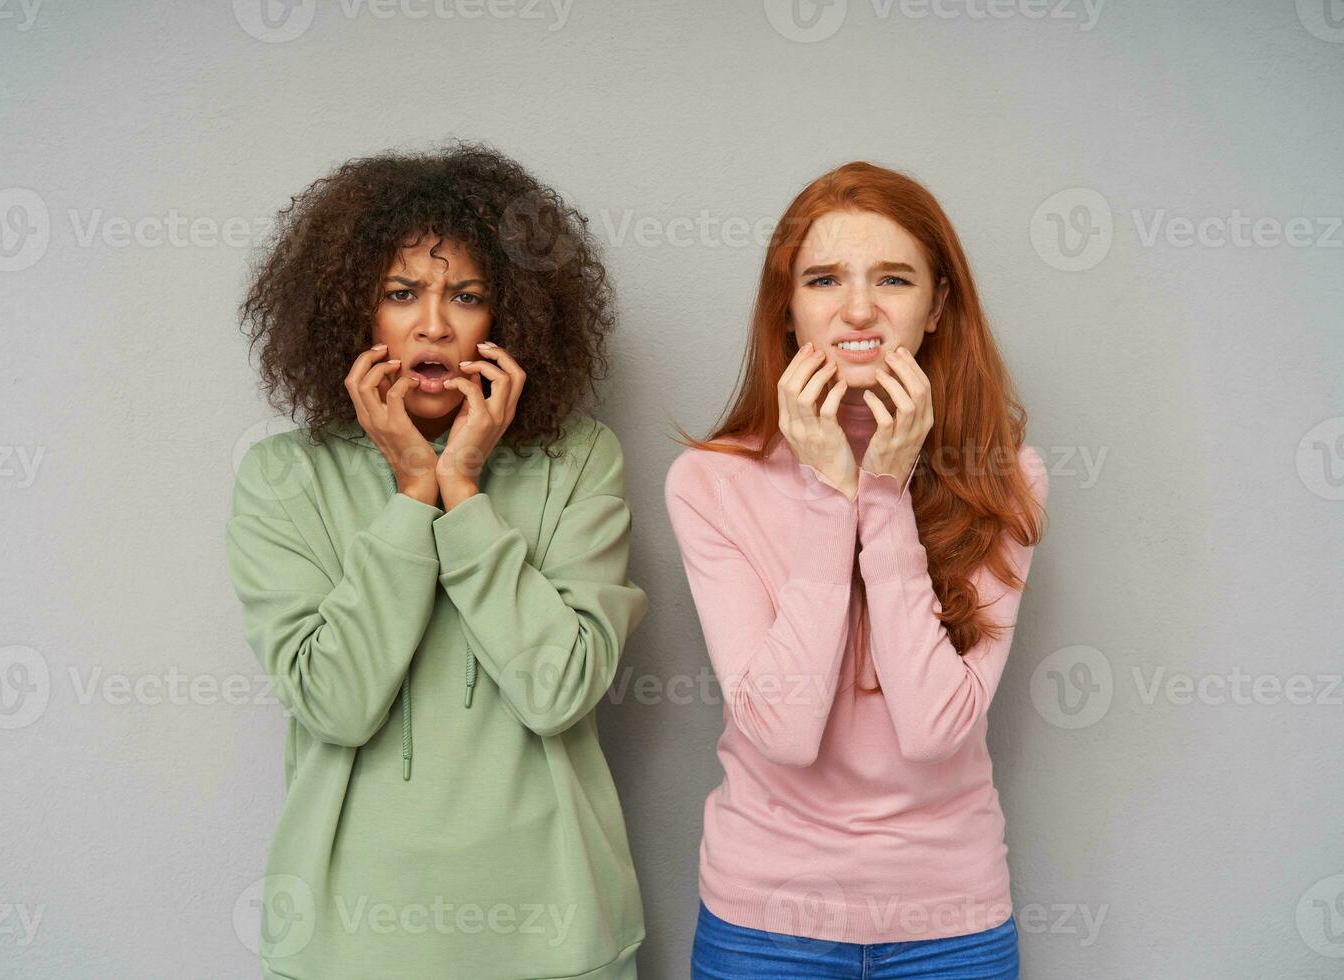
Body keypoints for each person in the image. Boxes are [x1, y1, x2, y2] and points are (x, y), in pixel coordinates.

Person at [226, 142, 648, 979]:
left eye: (466, 296)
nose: (434, 325)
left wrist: (462, 490)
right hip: (347, 945)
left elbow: (557, 688)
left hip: (555, 939)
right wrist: (412, 496)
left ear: (513, 317)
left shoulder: (579, 461)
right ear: (351, 310)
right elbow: (338, 705)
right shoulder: (283, 477)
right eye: (400, 293)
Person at [664, 161, 1050, 978]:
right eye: (825, 278)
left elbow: (936, 730)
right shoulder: (709, 483)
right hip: (763, 926)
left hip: (952, 927)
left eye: (895, 278)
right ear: (789, 308)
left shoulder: (1007, 478)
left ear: (939, 305)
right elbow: (783, 733)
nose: (860, 308)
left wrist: (880, 490)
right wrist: (829, 497)